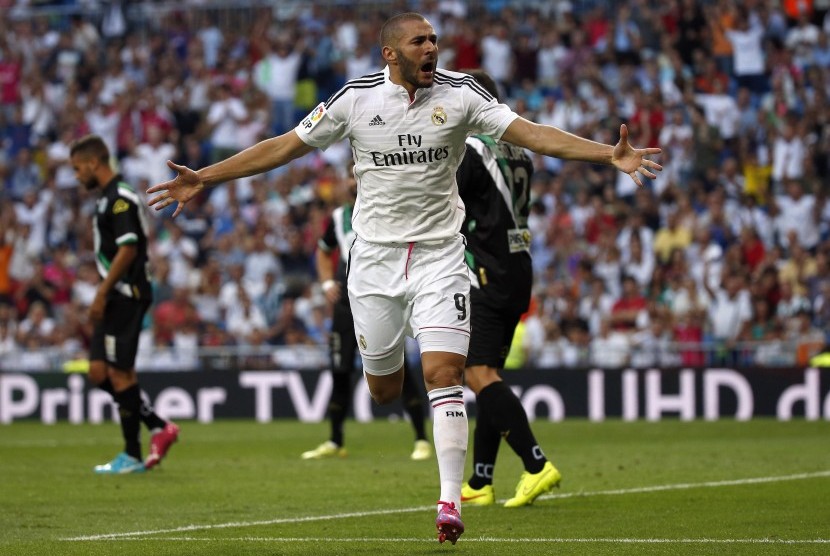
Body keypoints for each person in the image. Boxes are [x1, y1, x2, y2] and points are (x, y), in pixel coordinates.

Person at [147, 13, 660, 544]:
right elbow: (283, 146)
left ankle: (449, 501)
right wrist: (205, 176)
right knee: (385, 391)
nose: (432, 48)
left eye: (434, 40)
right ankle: (417, 423)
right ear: (390, 53)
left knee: (445, 374)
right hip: (373, 263)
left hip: (441, 257)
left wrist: (608, 154)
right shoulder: (354, 100)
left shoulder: (461, 95)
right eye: (419, 41)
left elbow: (530, 133)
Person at [454, 70, 561, 509]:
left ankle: (536, 465)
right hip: (518, 268)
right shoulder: (519, 150)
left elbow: (447, 206)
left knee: (476, 374)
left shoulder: (472, 152)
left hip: (486, 271)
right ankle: (480, 480)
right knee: (487, 377)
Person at [69, 135, 179, 474]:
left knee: (119, 373)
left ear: (93, 162)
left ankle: (132, 454)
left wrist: (101, 292)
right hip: (115, 292)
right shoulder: (106, 199)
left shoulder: (120, 198)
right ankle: (159, 426)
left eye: (77, 168)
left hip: (126, 293)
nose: (76, 176)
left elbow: (129, 248)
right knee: (99, 372)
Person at [301, 175, 432, 462]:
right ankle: (335, 440)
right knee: (339, 370)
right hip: (347, 304)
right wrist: (325, 283)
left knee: (399, 367)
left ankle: (421, 438)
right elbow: (324, 251)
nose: (351, 182)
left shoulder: (385, 209)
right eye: (347, 176)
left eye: (355, 175)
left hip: (382, 297)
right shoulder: (338, 217)